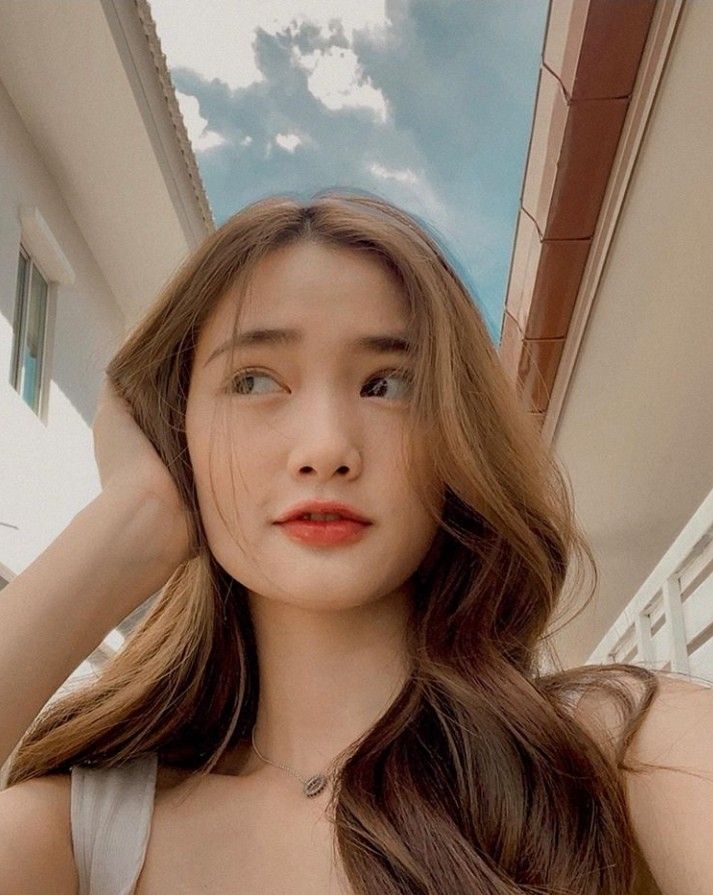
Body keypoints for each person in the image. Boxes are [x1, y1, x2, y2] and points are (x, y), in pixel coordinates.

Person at [0, 190, 710, 895]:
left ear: (455, 435)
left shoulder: (626, 751)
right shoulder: (84, 834)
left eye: (388, 385)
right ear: (177, 431)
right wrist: (134, 520)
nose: (326, 449)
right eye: (254, 380)